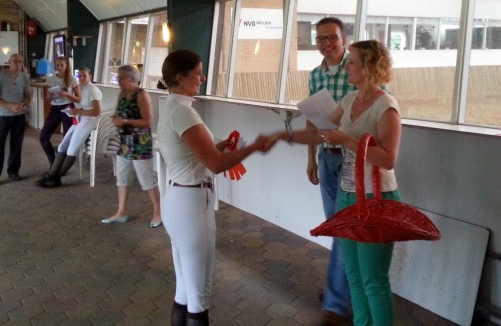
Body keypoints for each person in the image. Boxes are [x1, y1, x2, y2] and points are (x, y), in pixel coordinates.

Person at [270, 40, 401, 326]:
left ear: (368, 67)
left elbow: (388, 159)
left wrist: (348, 141)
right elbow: (322, 133)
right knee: (354, 277)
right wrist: (285, 136)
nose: (347, 67)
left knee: (373, 280)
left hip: (376, 199)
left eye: (352, 62)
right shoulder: (349, 100)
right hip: (347, 195)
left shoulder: (386, 106)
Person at [157, 49, 272, 326]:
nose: (203, 77)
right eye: (198, 72)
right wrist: (255, 147)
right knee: (199, 292)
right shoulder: (183, 112)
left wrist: (219, 146)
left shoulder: (173, 107)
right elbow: (216, 164)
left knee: (185, 290)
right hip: (190, 203)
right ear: (180, 77)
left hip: (180, 198)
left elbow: (199, 154)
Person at [308, 17, 356, 325]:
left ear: (344, 38)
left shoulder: (359, 68)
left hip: (353, 159)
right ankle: (344, 290)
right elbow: (312, 118)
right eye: (321, 39)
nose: (327, 44)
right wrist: (310, 158)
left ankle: (336, 303)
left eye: (332, 38)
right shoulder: (315, 75)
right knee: (338, 228)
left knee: (343, 229)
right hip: (326, 158)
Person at [101, 65, 161, 229]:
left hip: (140, 144)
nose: (118, 81)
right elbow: (119, 114)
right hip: (124, 143)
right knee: (122, 178)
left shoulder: (142, 95)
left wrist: (126, 122)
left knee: (147, 179)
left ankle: (158, 211)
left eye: (120, 78)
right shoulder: (122, 94)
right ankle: (121, 211)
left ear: (131, 79)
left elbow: (147, 121)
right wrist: (116, 119)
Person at [35, 67, 102, 188]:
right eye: (79, 76)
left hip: (89, 121)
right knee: (62, 146)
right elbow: (80, 106)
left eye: (84, 76)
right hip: (81, 119)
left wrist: (78, 111)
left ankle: (54, 178)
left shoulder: (93, 90)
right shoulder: (81, 89)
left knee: (72, 149)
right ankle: (52, 174)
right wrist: (74, 111)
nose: (81, 78)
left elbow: (97, 111)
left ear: (90, 76)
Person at [0, 53, 31, 186]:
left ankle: (13, 171)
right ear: (9, 62)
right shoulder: (0, 76)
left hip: (19, 116)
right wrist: (10, 106)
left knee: (16, 146)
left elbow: (28, 96)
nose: (18, 64)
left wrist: (22, 104)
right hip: (3, 116)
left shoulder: (24, 76)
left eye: (20, 62)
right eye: (15, 61)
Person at [39, 56, 80, 166]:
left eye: (62, 65)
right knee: (43, 137)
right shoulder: (51, 79)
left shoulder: (72, 79)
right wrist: (51, 95)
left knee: (67, 137)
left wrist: (67, 95)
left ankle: (63, 164)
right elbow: (46, 99)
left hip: (68, 108)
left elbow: (79, 98)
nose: (59, 67)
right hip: (55, 108)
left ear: (67, 66)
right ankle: (53, 162)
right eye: (57, 65)